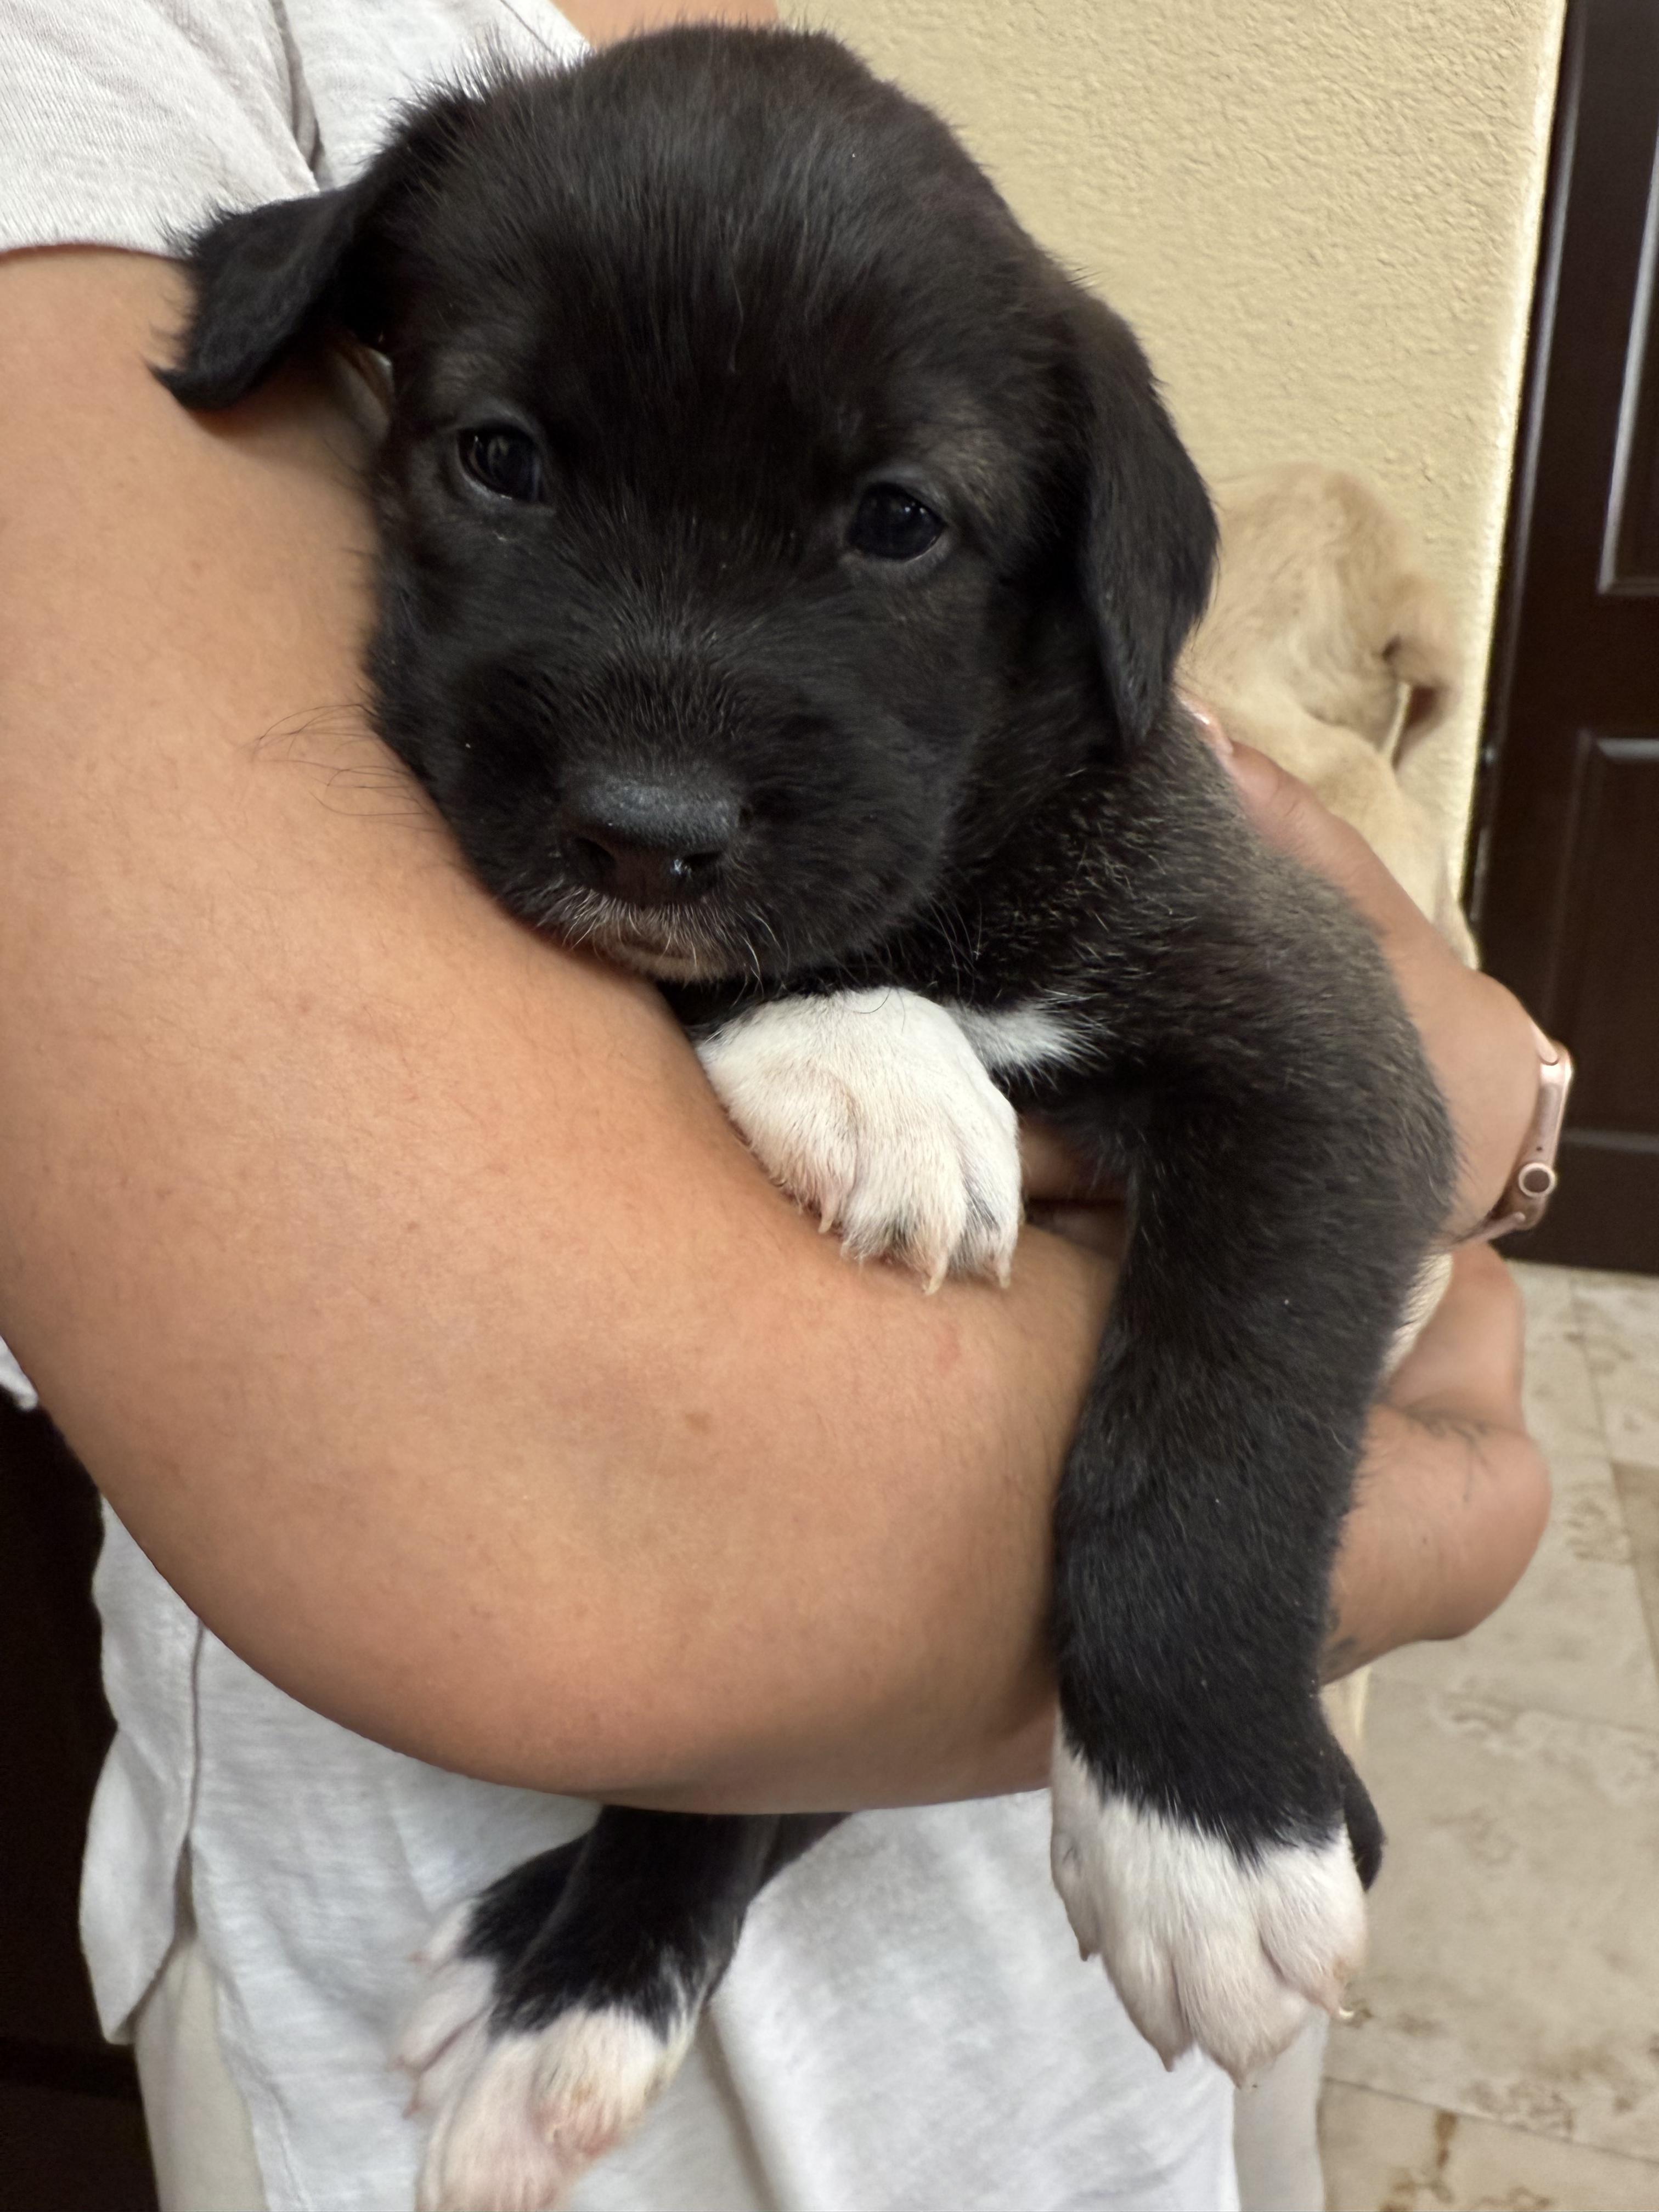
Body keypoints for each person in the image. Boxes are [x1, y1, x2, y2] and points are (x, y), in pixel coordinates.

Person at [0, 2, 1550, 2206]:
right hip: (416, 2029)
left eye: (894, 524)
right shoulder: (150, 63)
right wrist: (1422, 1518)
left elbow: (1348, 1114)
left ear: (1079, 571)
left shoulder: (1077, 843)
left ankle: (672, 1897)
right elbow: (563, 1495)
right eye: (509, 466)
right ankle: (659, 1909)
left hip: (1114, 2004)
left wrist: (1192, 1684)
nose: (650, 777)